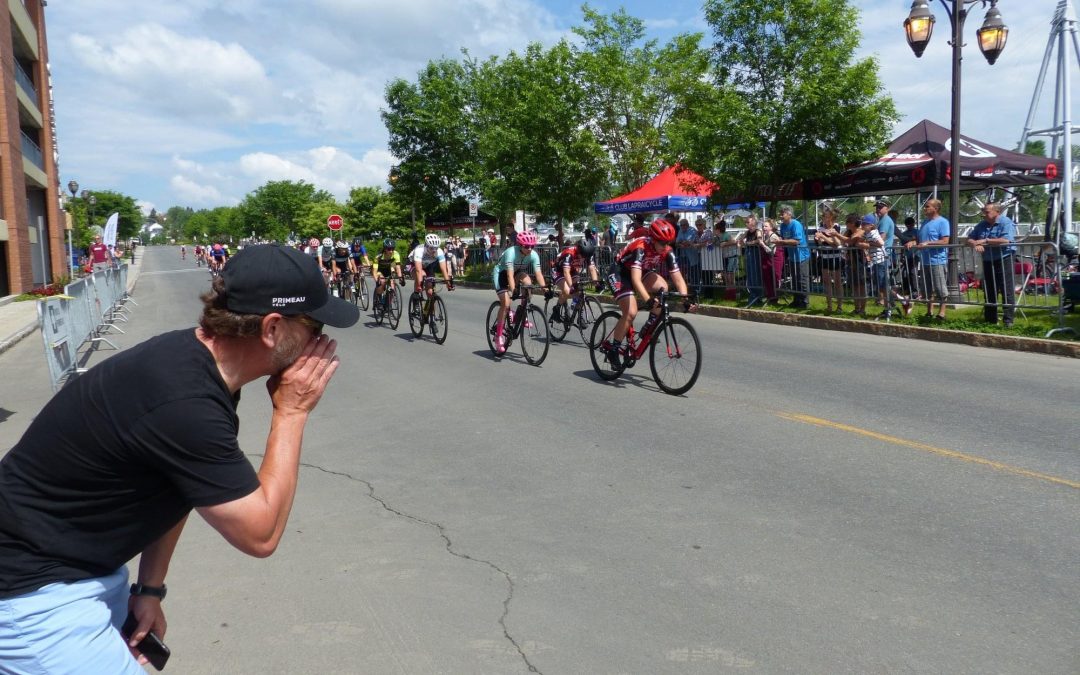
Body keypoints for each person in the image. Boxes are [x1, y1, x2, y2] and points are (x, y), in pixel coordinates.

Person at [0, 244, 358, 673]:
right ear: (272, 329)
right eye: (314, 326)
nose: (321, 343)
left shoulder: (199, 364)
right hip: (33, 594)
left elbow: (180, 483)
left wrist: (150, 588)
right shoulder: (184, 400)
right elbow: (260, 535)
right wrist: (292, 412)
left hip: (78, 569)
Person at [600, 218, 693, 366]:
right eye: (662, 243)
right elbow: (636, 280)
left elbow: (678, 279)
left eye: (668, 242)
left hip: (642, 271)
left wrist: (685, 299)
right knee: (630, 312)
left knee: (664, 288)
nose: (666, 246)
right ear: (653, 239)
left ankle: (649, 324)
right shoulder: (641, 247)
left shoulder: (667, 251)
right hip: (620, 273)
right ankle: (614, 348)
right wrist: (648, 300)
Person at [491, 230, 552, 354]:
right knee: (506, 303)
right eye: (526, 246)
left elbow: (538, 274)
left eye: (532, 246)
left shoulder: (533, 255)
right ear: (520, 245)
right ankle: (498, 336)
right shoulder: (511, 253)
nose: (530, 249)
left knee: (528, 283)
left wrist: (545, 290)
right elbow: (509, 275)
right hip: (501, 274)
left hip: (517, 272)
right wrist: (513, 290)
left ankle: (520, 314)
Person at [967, 202, 1017, 327]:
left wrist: (985, 240)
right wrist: (975, 244)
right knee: (989, 289)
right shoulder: (981, 224)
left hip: (1004, 258)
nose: (984, 213)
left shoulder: (1006, 222)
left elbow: (1006, 240)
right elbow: (970, 238)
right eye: (983, 211)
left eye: (987, 211)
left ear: (997, 212)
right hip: (988, 260)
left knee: (1006, 289)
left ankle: (1008, 320)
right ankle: (990, 320)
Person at [910, 198, 950, 320]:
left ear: (936, 208)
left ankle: (942, 313)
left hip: (937, 260)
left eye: (927, 206)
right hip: (925, 260)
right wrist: (913, 242)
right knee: (927, 289)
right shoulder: (924, 222)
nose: (925, 208)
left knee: (940, 288)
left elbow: (945, 241)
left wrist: (928, 243)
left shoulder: (943, 222)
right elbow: (920, 240)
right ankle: (929, 311)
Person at [549, 237, 600, 322]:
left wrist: (596, 283)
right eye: (582, 255)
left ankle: (580, 317)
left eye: (585, 256)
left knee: (579, 291)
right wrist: (571, 286)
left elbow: (591, 269)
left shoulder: (587, 254)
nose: (583, 258)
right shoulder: (569, 253)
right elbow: (566, 272)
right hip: (558, 270)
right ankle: (556, 309)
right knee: (567, 290)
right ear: (578, 250)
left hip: (572, 270)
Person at [776, 205, 810, 308]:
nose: (781, 216)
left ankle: (805, 302)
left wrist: (781, 241)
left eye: (783, 214)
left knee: (802, 279)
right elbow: (783, 238)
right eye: (780, 213)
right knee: (794, 279)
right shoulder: (782, 226)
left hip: (801, 255)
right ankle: (796, 299)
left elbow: (796, 240)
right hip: (791, 256)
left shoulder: (796, 224)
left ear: (789, 214)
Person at [409, 233, 455, 309]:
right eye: (431, 248)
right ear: (426, 246)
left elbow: (443, 269)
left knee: (430, 292)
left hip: (428, 265)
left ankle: (429, 315)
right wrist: (419, 285)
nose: (434, 250)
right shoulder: (419, 250)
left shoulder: (439, 251)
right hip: (413, 264)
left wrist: (448, 283)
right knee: (422, 275)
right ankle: (416, 297)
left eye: (436, 248)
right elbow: (418, 270)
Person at [814, 207, 845, 314]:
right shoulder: (820, 228)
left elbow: (836, 244)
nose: (825, 219)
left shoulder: (836, 227)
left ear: (832, 218)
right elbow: (820, 243)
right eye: (823, 217)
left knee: (837, 282)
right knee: (826, 282)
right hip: (824, 257)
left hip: (835, 258)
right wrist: (820, 239)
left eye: (827, 217)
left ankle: (840, 306)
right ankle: (829, 306)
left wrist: (824, 237)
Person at [736, 215, 763, 306]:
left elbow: (759, 240)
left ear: (753, 222)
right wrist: (740, 243)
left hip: (755, 255)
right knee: (750, 276)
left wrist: (748, 243)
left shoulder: (758, 231)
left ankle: (758, 296)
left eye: (748, 222)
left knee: (756, 276)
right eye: (746, 222)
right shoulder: (747, 232)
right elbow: (740, 240)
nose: (746, 224)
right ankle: (752, 294)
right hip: (748, 255)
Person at [874, 199, 896, 305]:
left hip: (883, 255)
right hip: (881, 255)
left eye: (880, 207)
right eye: (877, 207)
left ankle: (891, 301)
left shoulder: (885, 220)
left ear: (887, 208)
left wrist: (868, 243)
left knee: (883, 281)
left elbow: (881, 240)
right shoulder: (882, 220)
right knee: (881, 280)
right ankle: (884, 301)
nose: (878, 209)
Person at [372, 238, 405, 309]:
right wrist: (377, 281)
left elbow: (398, 267)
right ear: (385, 248)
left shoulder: (396, 254)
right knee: (382, 282)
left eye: (393, 249)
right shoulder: (379, 256)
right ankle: (379, 299)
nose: (391, 251)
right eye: (389, 249)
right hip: (379, 270)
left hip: (388, 269)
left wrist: (400, 278)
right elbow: (374, 271)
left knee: (392, 287)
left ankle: (387, 304)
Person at [759, 219, 784, 305]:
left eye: (766, 226)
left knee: (775, 277)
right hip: (768, 260)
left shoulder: (773, 236)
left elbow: (771, 251)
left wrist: (762, 244)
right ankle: (770, 296)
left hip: (775, 259)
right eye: (763, 226)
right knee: (767, 278)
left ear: (771, 227)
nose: (763, 228)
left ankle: (775, 297)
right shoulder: (765, 236)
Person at [898, 216, 920, 300]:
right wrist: (901, 256)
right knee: (905, 273)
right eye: (907, 225)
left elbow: (919, 241)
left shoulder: (917, 232)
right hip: (907, 256)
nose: (909, 226)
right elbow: (902, 247)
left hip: (915, 255)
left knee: (913, 272)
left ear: (913, 224)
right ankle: (906, 289)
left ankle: (915, 291)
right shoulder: (904, 234)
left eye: (910, 225)